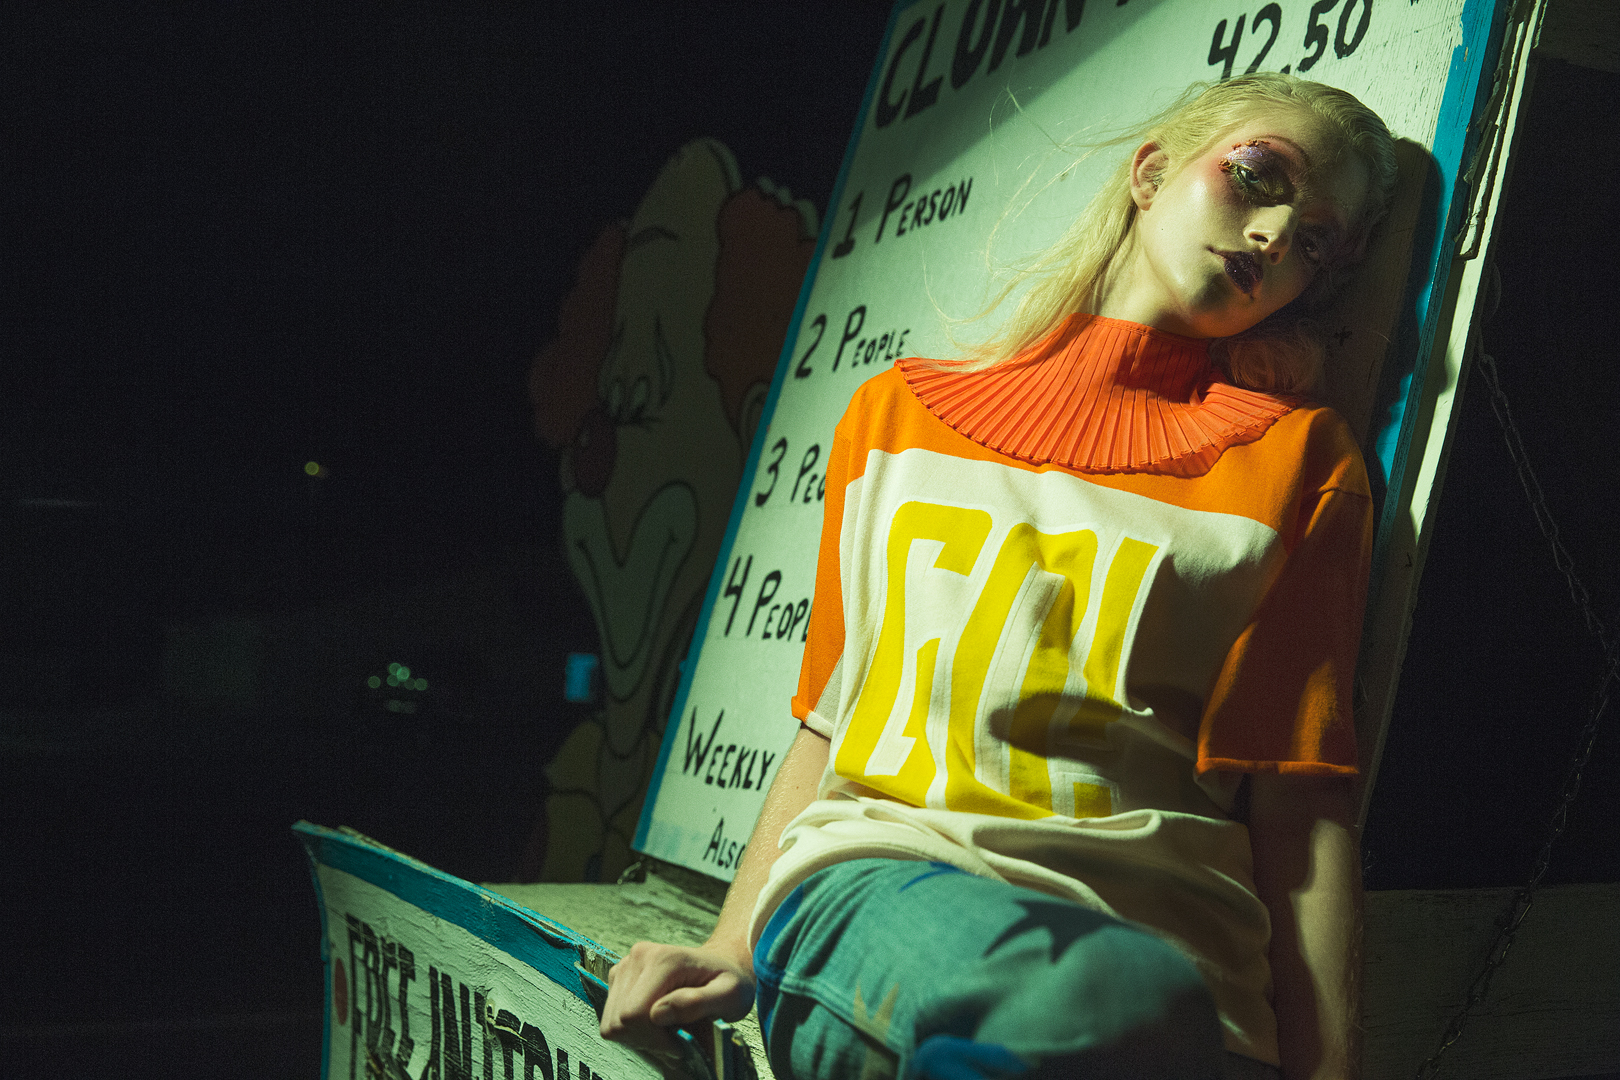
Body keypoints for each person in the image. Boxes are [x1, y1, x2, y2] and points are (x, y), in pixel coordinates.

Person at [600, 72, 1398, 1080]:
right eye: (1257, 177)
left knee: (1133, 1004)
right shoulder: (897, 417)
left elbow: (1299, 808)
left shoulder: (1299, 464)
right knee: (1104, 997)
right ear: (1151, 174)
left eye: (1317, 241)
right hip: (893, 894)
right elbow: (832, 718)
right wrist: (731, 944)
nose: (1276, 234)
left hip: (1196, 993)